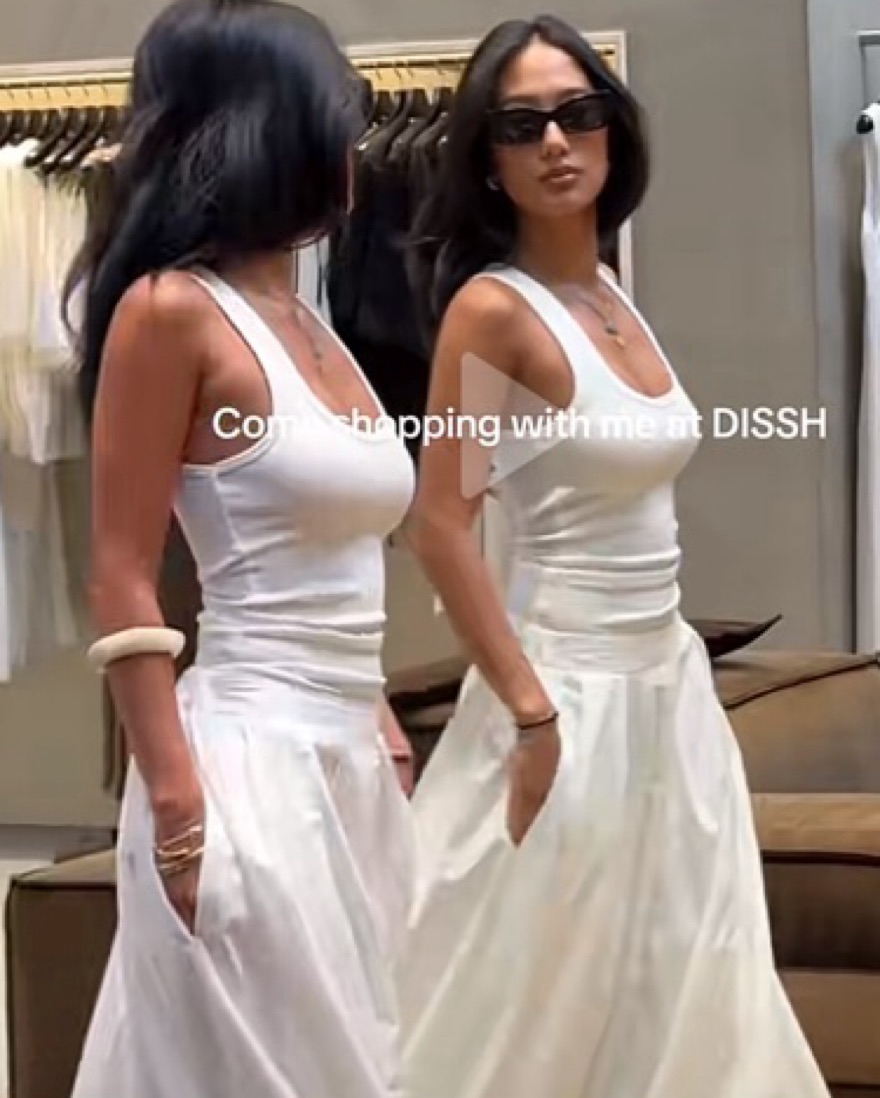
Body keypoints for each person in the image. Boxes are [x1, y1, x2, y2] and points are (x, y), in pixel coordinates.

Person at [395, 15, 832, 1098]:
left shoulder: (609, 293)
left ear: (612, 130)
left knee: (683, 982)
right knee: (532, 1008)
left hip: (665, 690)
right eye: (521, 124)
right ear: (487, 159)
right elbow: (440, 523)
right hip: (567, 694)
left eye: (577, 112)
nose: (555, 140)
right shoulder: (494, 313)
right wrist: (529, 710)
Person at [64, 2, 417, 1096]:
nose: (353, 141)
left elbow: (328, 549)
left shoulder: (306, 316)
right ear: (274, 124)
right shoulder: (169, 312)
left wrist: (378, 716)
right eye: (336, 113)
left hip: (349, 765)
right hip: (244, 768)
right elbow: (121, 570)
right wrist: (176, 803)